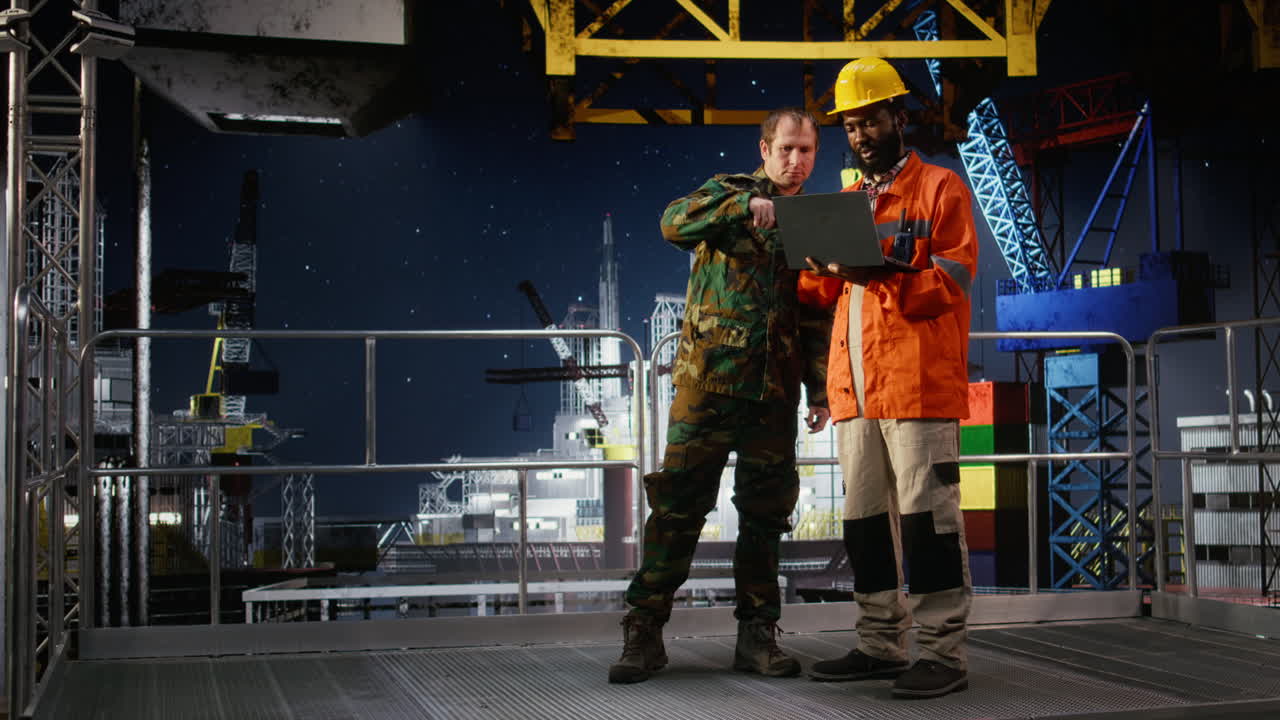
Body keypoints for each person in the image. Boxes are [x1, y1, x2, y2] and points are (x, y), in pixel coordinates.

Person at [608, 107, 834, 684]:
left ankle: (758, 638)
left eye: (805, 151)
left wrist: (818, 389)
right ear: (764, 150)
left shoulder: (814, 219)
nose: (795, 160)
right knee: (677, 510)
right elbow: (670, 223)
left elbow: (813, 314)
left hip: (772, 395)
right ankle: (644, 633)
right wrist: (741, 206)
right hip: (706, 386)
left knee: (764, 519)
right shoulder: (727, 193)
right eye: (785, 148)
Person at [799, 57, 978, 699]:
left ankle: (943, 654)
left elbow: (951, 283)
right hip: (858, 392)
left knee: (930, 521)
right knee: (865, 523)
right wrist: (818, 261)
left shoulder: (940, 190)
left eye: (871, 120)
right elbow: (817, 290)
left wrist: (880, 277)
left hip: (919, 388)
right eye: (850, 126)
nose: (861, 135)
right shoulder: (845, 203)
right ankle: (879, 643)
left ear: (899, 117)